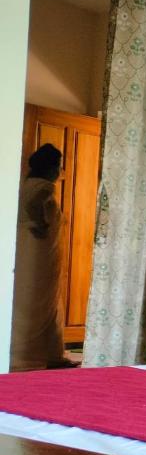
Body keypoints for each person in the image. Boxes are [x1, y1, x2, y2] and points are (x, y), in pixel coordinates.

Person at [10, 144, 76, 370]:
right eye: (58, 166)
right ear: (50, 168)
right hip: (35, 258)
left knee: (45, 302)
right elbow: (34, 202)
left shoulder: (26, 184)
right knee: (37, 302)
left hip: (35, 255)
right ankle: (30, 355)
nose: (59, 171)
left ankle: (51, 354)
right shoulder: (42, 186)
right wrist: (39, 222)